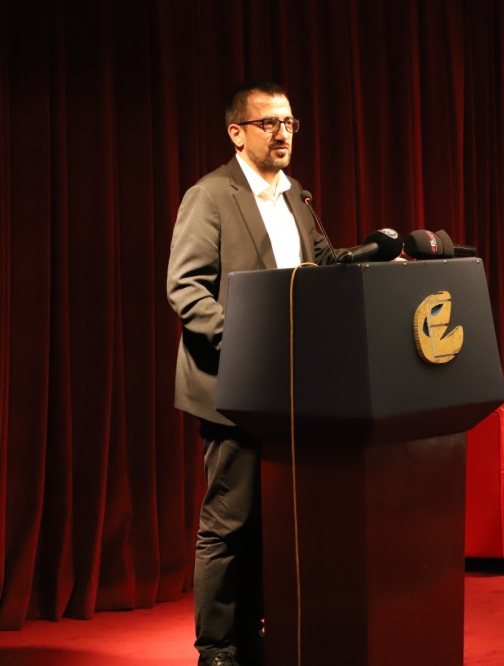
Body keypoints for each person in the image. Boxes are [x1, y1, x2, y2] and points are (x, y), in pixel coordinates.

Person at [166, 80, 346, 666]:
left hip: (293, 390)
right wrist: (245, 344)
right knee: (229, 523)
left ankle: (255, 633)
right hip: (233, 387)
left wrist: (379, 258)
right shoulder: (210, 195)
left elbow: (323, 262)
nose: (283, 133)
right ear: (237, 133)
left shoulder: (297, 196)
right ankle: (217, 649)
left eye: (289, 123)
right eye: (269, 123)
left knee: (275, 521)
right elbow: (185, 289)